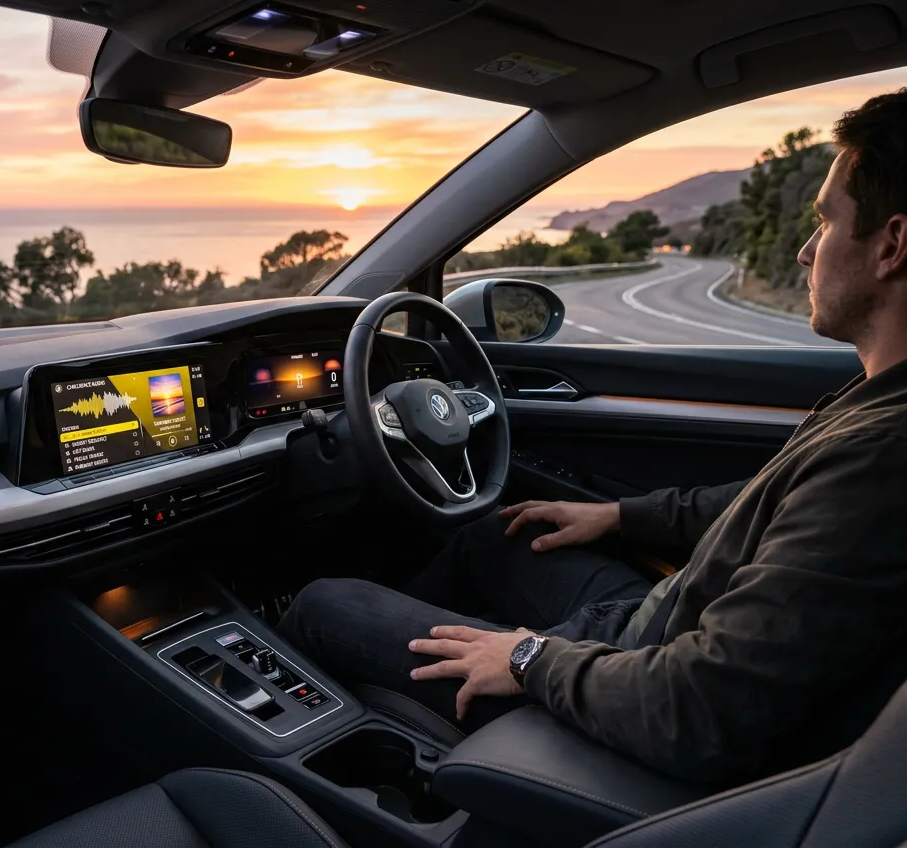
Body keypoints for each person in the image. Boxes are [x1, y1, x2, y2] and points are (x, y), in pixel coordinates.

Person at [278, 88, 907, 785]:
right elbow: (764, 506)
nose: (805, 249)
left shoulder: (885, 458)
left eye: (825, 221)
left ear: (892, 244)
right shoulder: (878, 403)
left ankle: (370, 757)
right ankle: (426, 674)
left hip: (643, 699)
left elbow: (700, 709)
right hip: (652, 628)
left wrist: (524, 660)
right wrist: (614, 516)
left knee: (320, 604)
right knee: (499, 534)